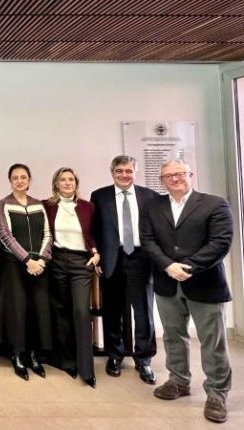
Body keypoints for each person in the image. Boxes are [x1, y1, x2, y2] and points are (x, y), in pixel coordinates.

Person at [141, 159, 233, 423]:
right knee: (172, 336)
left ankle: (217, 393)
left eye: (180, 173)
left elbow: (220, 243)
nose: (175, 178)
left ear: (191, 175)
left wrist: (189, 267)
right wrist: (168, 266)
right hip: (167, 283)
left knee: (212, 341)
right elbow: (147, 241)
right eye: (168, 175)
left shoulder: (214, 204)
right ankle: (178, 381)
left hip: (204, 282)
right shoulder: (152, 206)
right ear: (162, 180)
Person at [90, 155, 159, 384]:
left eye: (128, 171)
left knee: (143, 312)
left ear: (135, 172)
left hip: (141, 259)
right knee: (113, 311)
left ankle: (144, 359)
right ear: (112, 173)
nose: (124, 175)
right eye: (119, 171)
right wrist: (97, 258)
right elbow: (95, 230)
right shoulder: (99, 196)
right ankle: (115, 355)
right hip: (112, 258)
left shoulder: (150, 196)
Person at [43, 167, 100, 388]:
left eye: (71, 179)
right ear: (56, 184)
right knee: (61, 311)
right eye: (63, 179)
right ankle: (66, 361)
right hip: (56, 261)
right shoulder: (47, 206)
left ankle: (86, 369)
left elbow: (92, 234)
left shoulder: (88, 207)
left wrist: (96, 252)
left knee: (81, 312)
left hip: (81, 263)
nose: (67, 183)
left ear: (76, 183)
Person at [0, 163, 52, 381]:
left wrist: (42, 259)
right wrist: (27, 260)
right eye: (15, 178)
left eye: (23, 177)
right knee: (17, 311)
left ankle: (33, 354)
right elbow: (5, 235)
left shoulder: (39, 204)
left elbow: (48, 233)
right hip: (15, 266)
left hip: (39, 267)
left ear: (29, 180)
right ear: (10, 181)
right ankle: (17, 354)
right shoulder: (4, 204)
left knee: (37, 310)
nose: (20, 181)